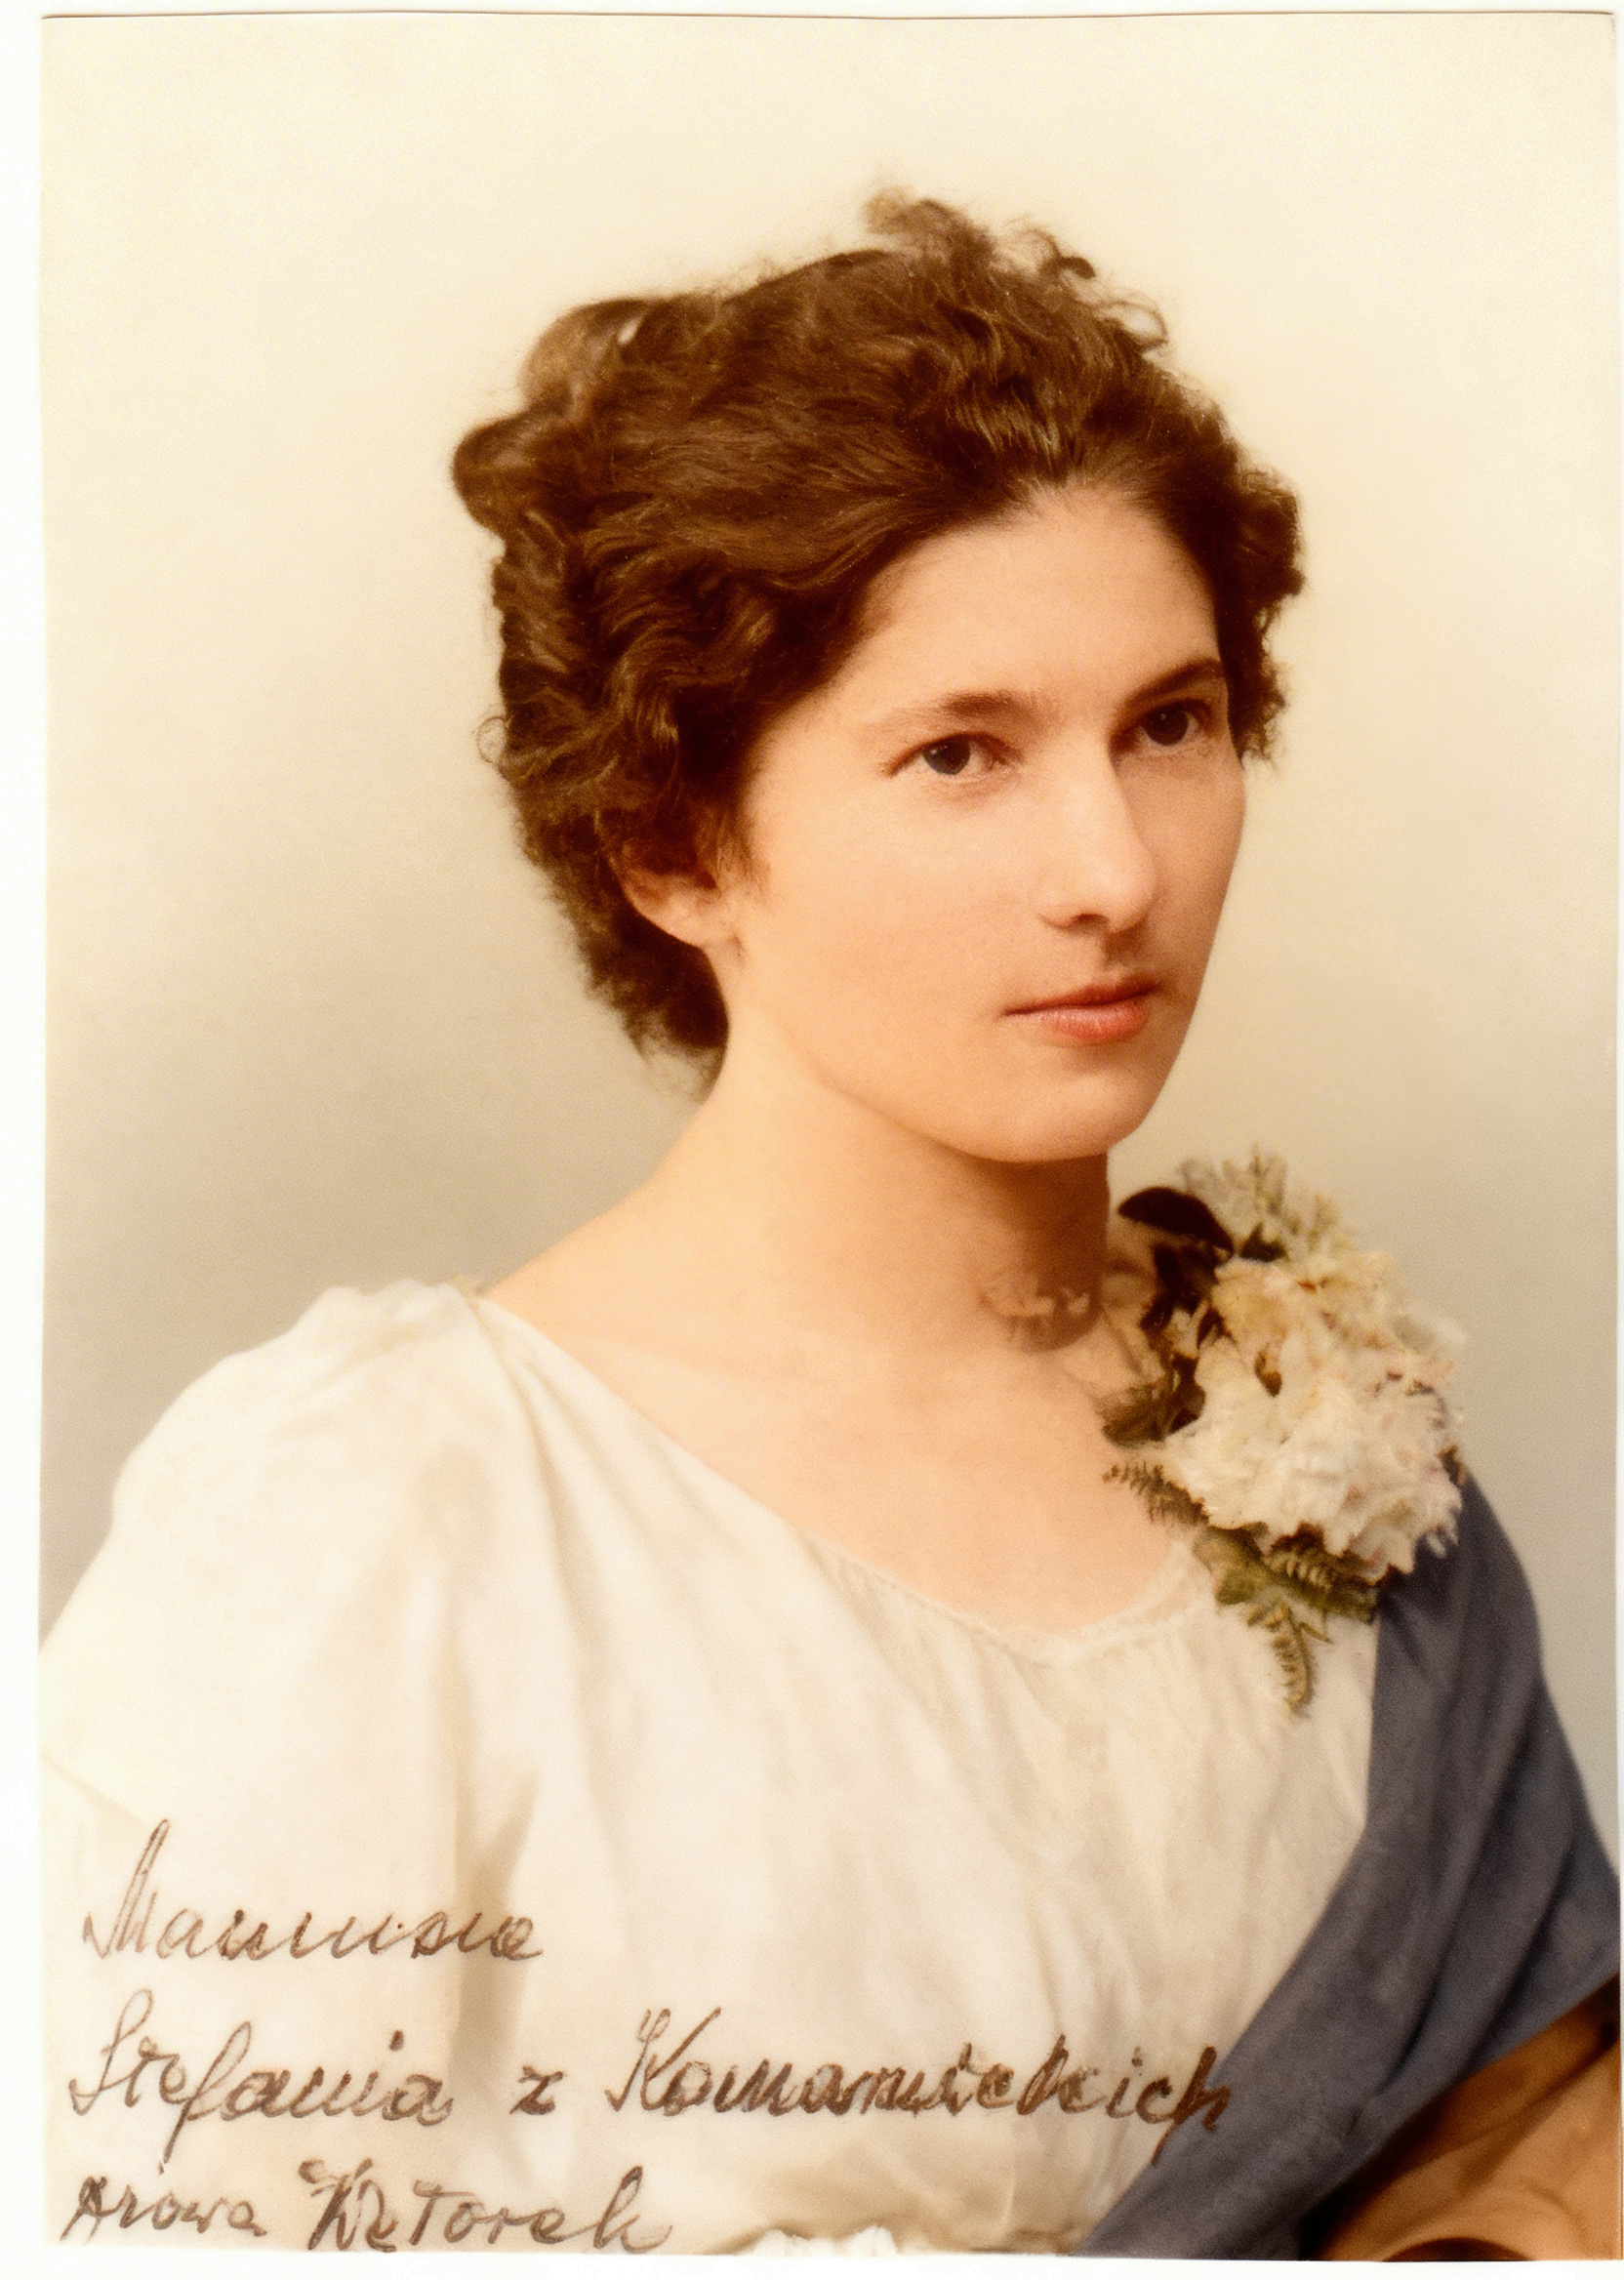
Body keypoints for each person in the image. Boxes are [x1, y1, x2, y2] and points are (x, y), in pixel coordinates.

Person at [41, 196, 1617, 2258]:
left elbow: (1545, 2153)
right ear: (672, 843)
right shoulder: (386, 1530)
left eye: (1169, 723)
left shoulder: (1334, 1437)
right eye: (961, 754)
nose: (1111, 871)